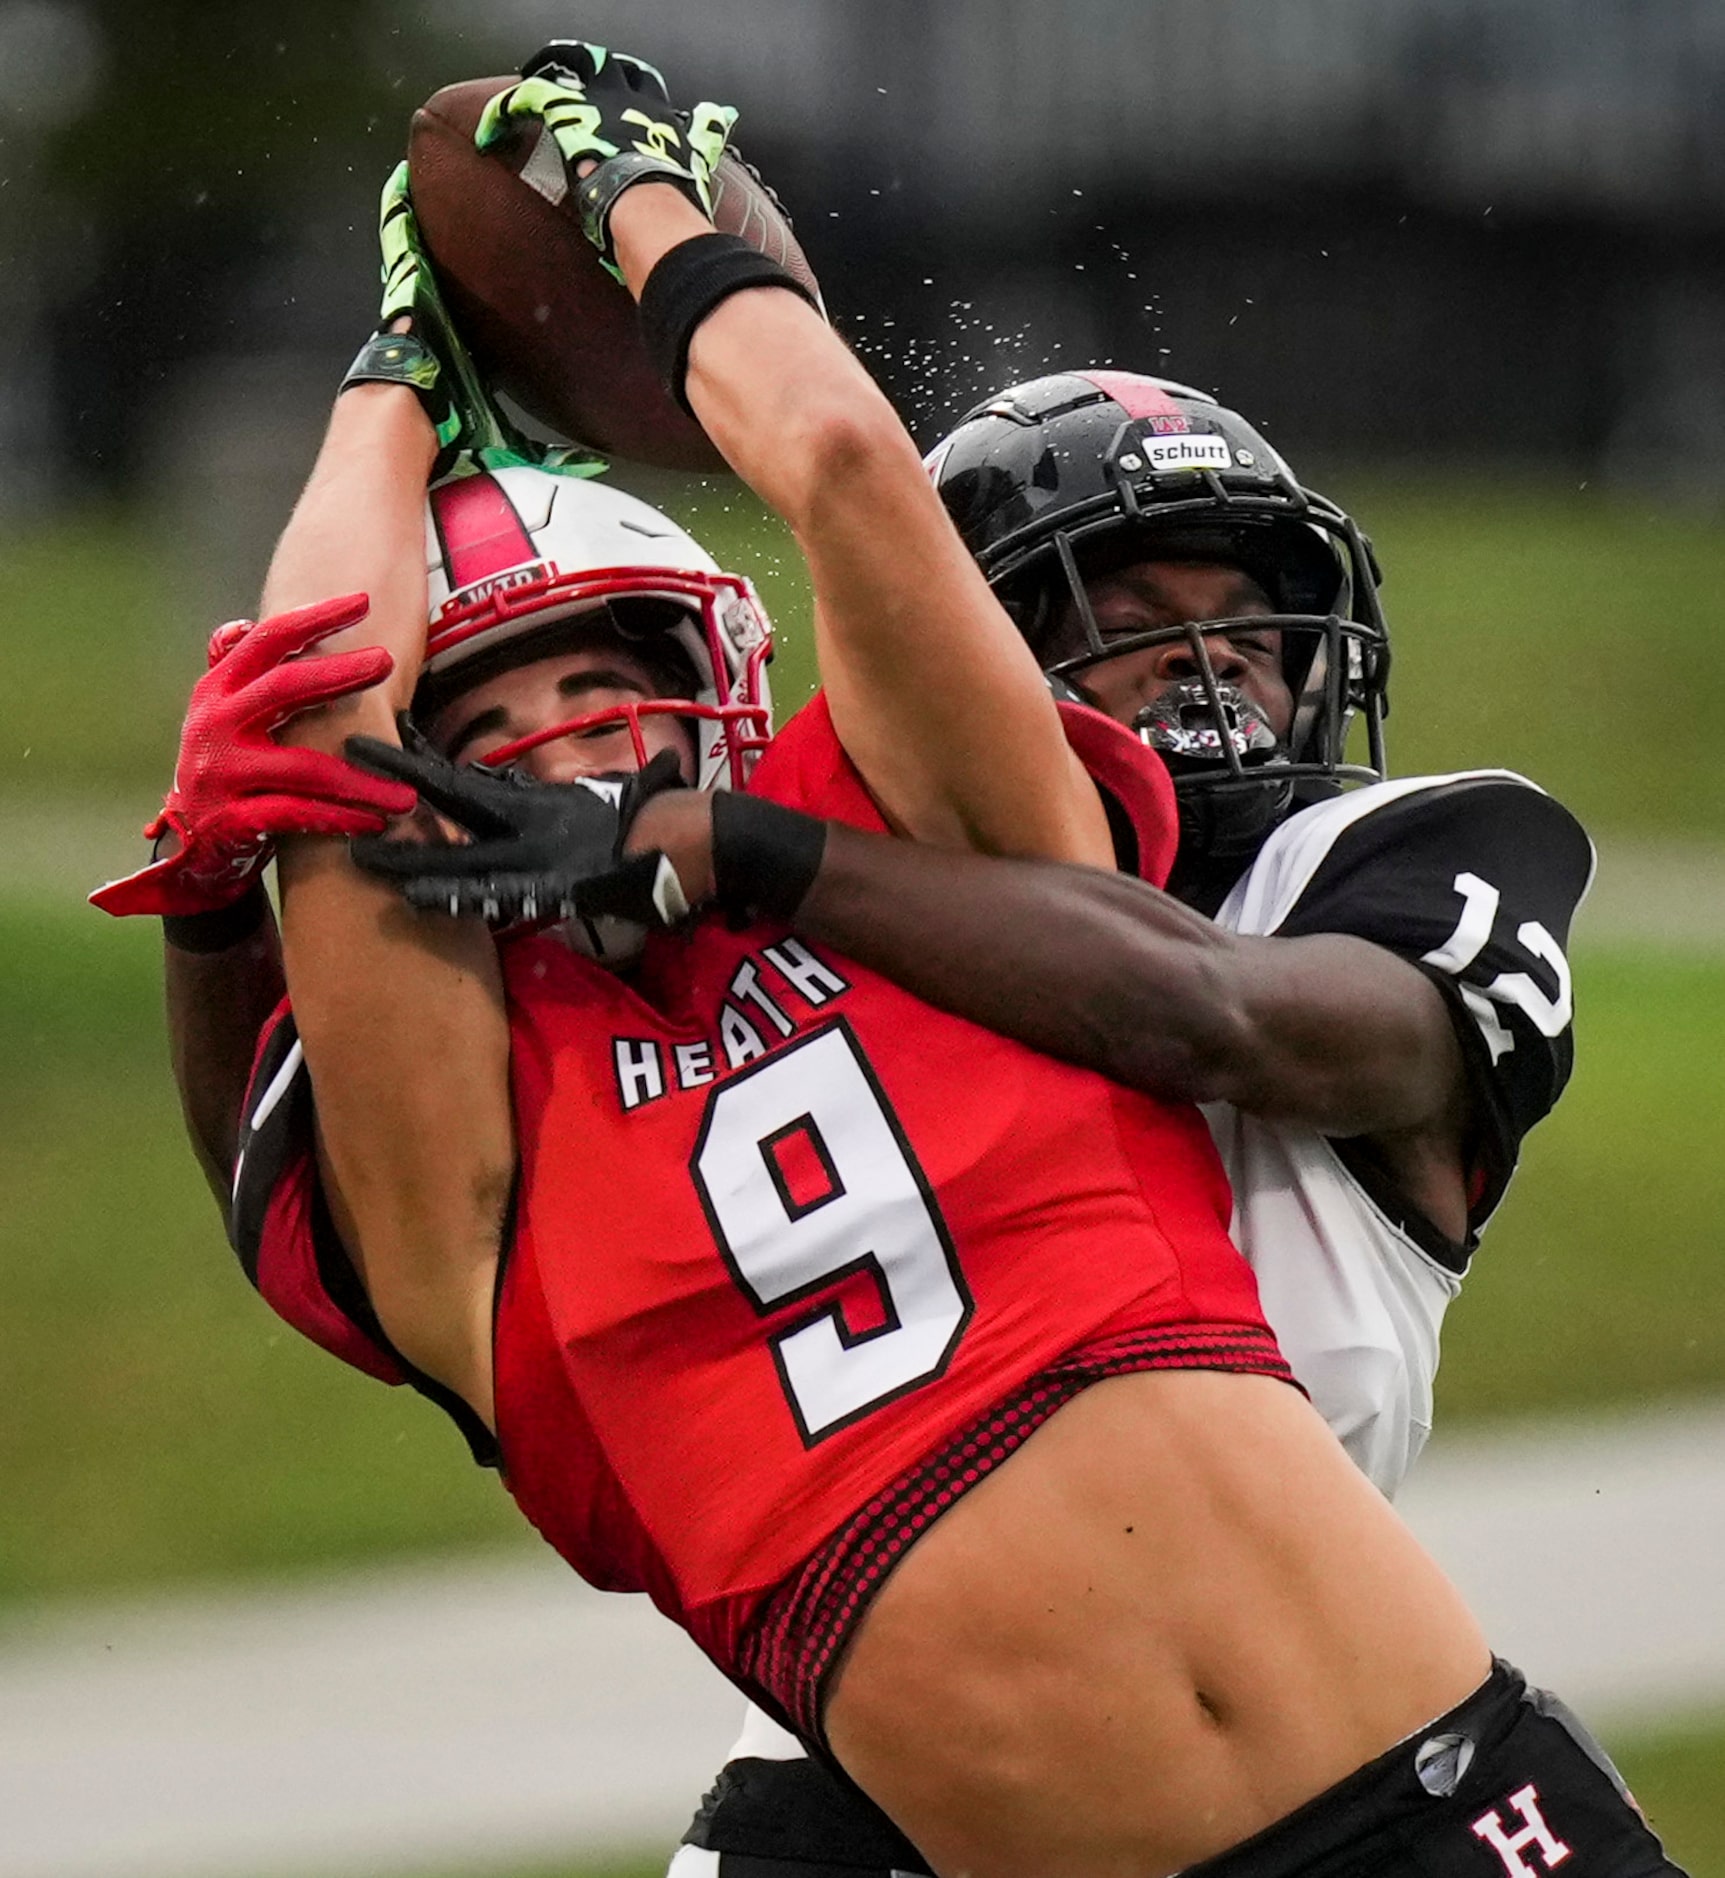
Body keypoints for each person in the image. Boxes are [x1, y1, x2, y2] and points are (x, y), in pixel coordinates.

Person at [98, 44, 1678, 1878]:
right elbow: (320, 718)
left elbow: (848, 473)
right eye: (498, 716)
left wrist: (638, 209)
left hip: (1427, 1794)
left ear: (732, 686)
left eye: (604, 682)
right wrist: (400, 368)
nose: (566, 742)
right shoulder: (469, 1192)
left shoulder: (964, 921)